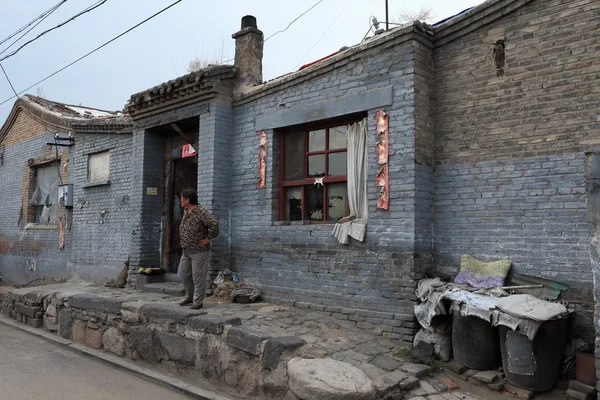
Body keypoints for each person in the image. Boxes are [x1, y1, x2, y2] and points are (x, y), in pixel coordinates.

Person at [178, 187, 219, 309]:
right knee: (184, 274)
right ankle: (189, 297)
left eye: (182, 198)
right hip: (186, 250)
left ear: (187, 199)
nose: (180, 200)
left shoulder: (200, 211)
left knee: (198, 277)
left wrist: (208, 238)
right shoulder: (186, 211)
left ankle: (198, 301)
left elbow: (214, 224)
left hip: (199, 251)